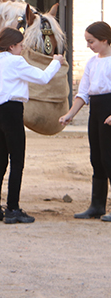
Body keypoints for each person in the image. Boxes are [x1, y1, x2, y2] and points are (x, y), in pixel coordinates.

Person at [0, 27, 65, 224]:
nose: (22, 49)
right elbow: (43, 78)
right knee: (17, 160)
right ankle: (12, 208)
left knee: (0, 161)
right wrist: (55, 62)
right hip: (12, 111)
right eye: (20, 46)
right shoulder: (15, 61)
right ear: (12, 46)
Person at [59, 21, 111, 221]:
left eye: (92, 41)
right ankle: (97, 205)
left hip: (109, 111)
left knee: (109, 158)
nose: (88, 45)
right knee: (96, 158)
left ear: (105, 40)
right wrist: (70, 114)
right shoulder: (91, 62)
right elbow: (83, 93)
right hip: (96, 112)